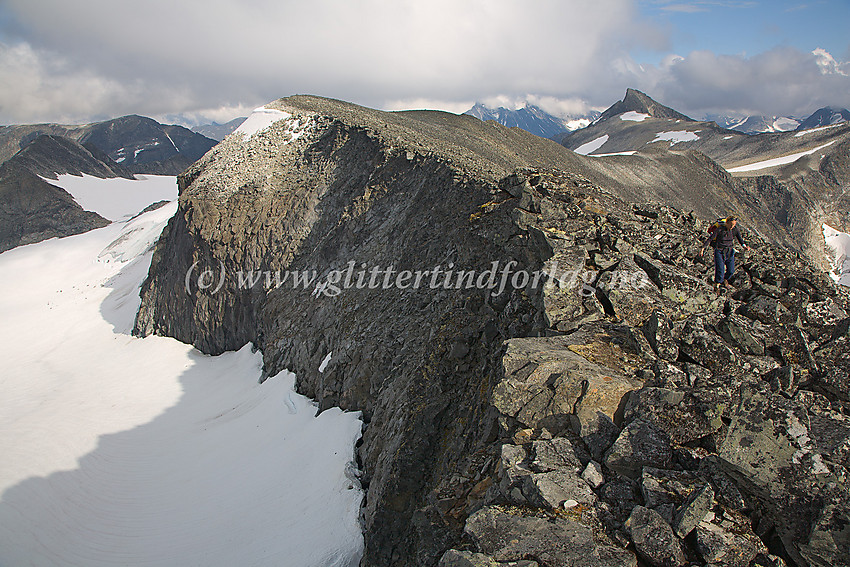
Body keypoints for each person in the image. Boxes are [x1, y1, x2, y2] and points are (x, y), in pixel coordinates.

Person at [698, 215, 750, 293]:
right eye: (731, 224)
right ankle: (717, 286)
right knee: (720, 269)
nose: (732, 226)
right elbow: (710, 239)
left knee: (731, 270)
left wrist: (744, 246)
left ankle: (725, 279)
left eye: (734, 224)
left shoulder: (734, 230)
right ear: (727, 223)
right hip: (719, 251)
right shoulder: (720, 230)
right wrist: (703, 248)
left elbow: (740, 239)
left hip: (729, 251)